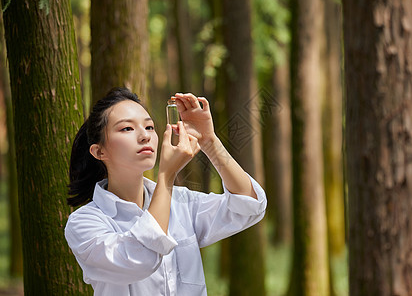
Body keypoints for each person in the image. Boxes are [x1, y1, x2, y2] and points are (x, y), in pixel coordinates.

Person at [64, 87, 267, 296]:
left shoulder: (181, 203)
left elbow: (249, 206)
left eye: (150, 127)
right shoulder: (85, 224)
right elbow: (141, 259)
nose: (144, 136)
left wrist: (209, 141)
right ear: (99, 151)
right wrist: (166, 177)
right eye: (127, 129)